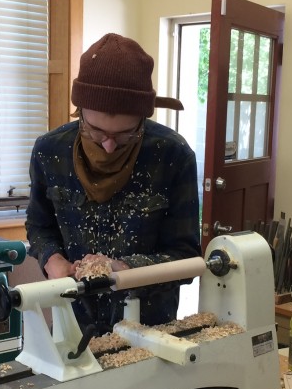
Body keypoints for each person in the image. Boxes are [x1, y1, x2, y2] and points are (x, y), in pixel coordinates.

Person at [25, 33, 202, 334]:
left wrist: (126, 270)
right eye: (96, 132)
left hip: (151, 328)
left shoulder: (172, 156)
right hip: (73, 322)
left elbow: (186, 256)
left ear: (143, 120)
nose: (108, 146)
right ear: (79, 113)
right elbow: (39, 226)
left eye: (124, 136)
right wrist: (52, 258)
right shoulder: (50, 152)